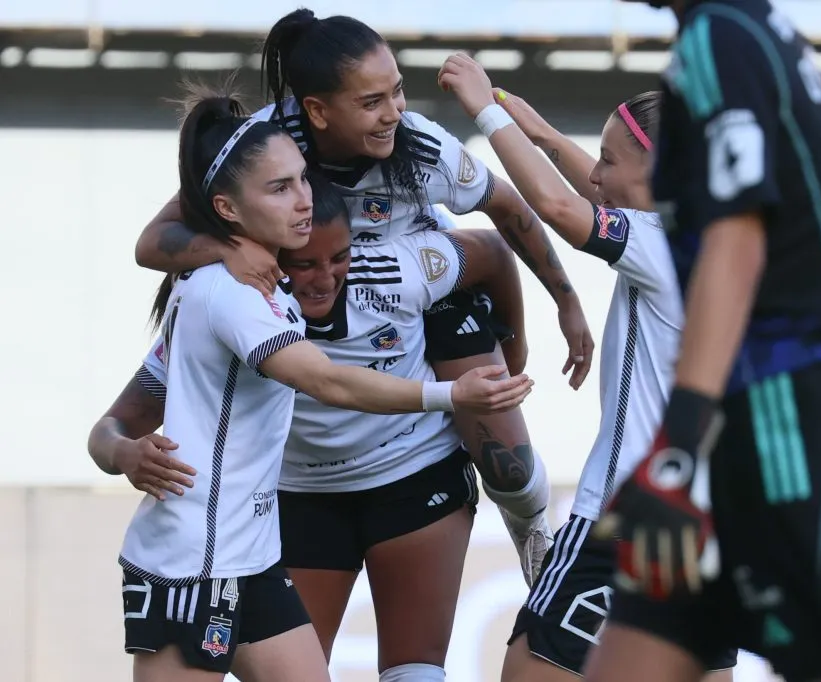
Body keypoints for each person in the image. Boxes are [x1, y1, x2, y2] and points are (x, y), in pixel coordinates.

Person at [131, 9, 595, 584]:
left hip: (413, 293)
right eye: (372, 100)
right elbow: (154, 241)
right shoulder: (265, 148)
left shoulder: (422, 153)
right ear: (317, 112)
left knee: (507, 452)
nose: (394, 112)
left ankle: (529, 520)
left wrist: (560, 305)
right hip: (314, 361)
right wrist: (225, 250)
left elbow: (502, 219)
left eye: (397, 92)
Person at [88, 88, 532, 682]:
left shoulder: (259, 289)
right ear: (226, 208)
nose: (304, 200)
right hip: (191, 562)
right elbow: (325, 382)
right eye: (279, 189)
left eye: (301, 179)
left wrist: (118, 446)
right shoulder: (230, 294)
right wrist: (450, 395)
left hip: (253, 559)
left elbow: (490, 254)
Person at [585, 2, 821, 682]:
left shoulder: (718, 37)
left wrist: (674, 446)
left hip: (792, 427)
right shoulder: (752, 35)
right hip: (736, 438)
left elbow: (739, 239)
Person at [436, 55, 738, 681]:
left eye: (607, 158)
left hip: (625, 519)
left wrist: (484, 111)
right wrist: (544, 136)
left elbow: (557, 206)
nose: (595, 175)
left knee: (528, 668)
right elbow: (601, 194)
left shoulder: (660, 246)